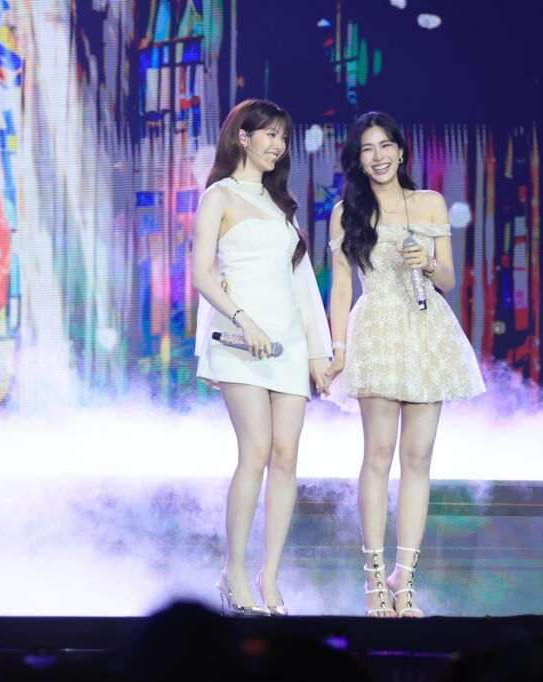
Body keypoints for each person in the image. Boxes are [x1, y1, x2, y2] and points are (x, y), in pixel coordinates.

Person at [324, 111, 485, 617]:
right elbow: (342, 287)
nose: (379, 156)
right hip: (377, 330)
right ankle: (373, 578)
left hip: (426, 329)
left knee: (418, 458)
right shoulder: (346, 212)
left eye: (386, 145)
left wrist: (429, 264)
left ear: (400, 150)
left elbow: (449, 280)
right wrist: (338, 349)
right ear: (358, 159)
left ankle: (404, 579)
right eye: (367, 149)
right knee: (379, 454)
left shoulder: (429, 202)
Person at [192, 99, 332, 616]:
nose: (277, 145)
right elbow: (201, 274)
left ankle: (268, 576)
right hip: (239, 342)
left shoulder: (280, 207)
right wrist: (243, 319)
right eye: (269, 134)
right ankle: (233, 570)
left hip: (287, 344)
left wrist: (318, 352)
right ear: (243, 137)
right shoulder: (219, 196)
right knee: (255, 452)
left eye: (283, 137)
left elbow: (302, 287)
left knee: (286, 458)